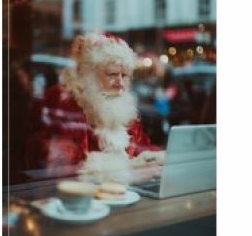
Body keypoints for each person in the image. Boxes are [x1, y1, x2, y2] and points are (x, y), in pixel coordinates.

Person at [27, 33, 165, 184]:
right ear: (88, 74)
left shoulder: (121, 106)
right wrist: (125, 176)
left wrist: (152, 158)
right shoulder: (62, 100)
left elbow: (138, 146)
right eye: (112, 74)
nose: (120, 84)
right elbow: (59, 169)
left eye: (124, 76)